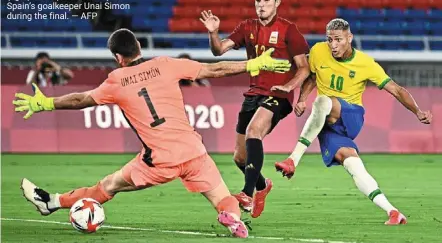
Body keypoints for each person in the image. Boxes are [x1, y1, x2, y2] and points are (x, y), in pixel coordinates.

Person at [14, 29, 291, 238]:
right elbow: (213, 69)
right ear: (138, 48)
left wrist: (45, 103)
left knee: (107, 186)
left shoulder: (115, 81)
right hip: (194, 151)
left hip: (158, 161)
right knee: (222, 198)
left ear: (118, 57)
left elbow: (80, 100)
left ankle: (51, 202)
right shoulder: (166, 64)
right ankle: (232, 218)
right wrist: (252, 65)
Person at [273, 18, 433, 225]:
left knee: (322, 101)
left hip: (351, 115)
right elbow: (312, 77)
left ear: (349, 38)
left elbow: (396, 89)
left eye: (338, 39)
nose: (333, 45)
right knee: (353, 165)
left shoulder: (366, 63)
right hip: (328, 125)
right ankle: (392, 211)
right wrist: (302, 99)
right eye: (329, 39)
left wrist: (417, 111)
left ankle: (292, 160)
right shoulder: (318, 51)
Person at [199, 0, 310, 218]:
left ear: (277, 2)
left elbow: (304, 68)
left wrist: (289, 87)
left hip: (278, 96)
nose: (261, 4)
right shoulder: (247, 27)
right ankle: (262, 185)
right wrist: (213, 33)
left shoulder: (289, 30)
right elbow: (218, 50)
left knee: (253, 131)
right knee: (239, 157)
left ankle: (247, 194)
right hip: (253, 94)